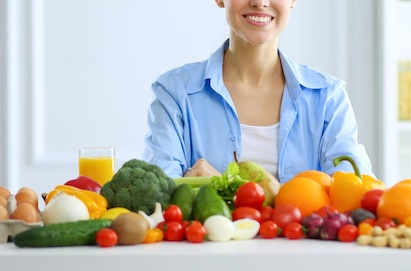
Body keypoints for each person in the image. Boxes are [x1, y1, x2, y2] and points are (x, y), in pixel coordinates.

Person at [142, 0, 374, 183]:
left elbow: (352, 191)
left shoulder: (328, 97)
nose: (260, 2)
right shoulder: (173, 93)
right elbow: (162, 195)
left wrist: (226, 186)